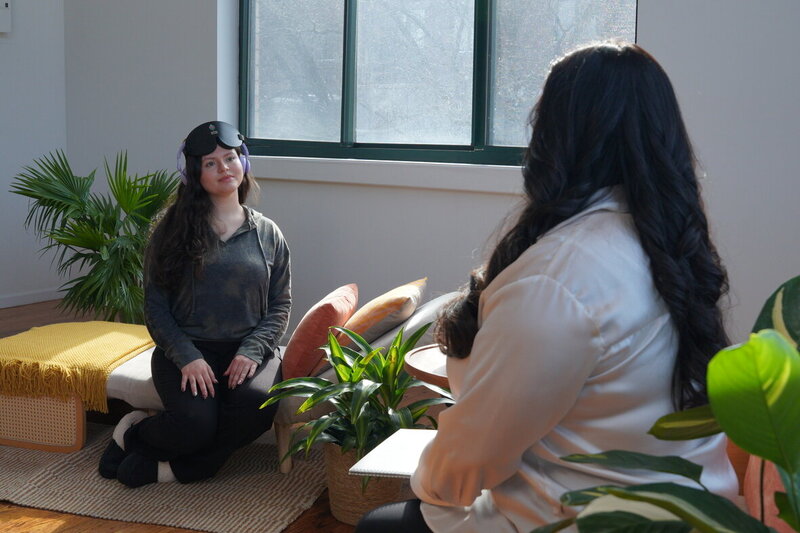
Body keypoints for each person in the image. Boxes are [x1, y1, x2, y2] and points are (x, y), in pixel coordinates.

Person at [355, 42, 738, 532]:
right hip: (696, 509)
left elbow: (470, 459)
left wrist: (427, 487)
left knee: (381, 523)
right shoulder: (662, 246)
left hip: (587, 518)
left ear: (555, 137)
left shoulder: (556, 279)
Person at [98, 120, 291, 488]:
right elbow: (155, 308)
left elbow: (280, 304)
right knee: (195, 424)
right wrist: (188, 357)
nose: (224, 168)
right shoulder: (169, 232)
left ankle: (174, 467)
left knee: (256, 409)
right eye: (210, 163)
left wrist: (252, 351)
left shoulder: (268, 233)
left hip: (250, 350)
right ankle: (133, 432)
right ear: (193, 173)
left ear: (244, 162)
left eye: (230, 158)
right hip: (187, 351)